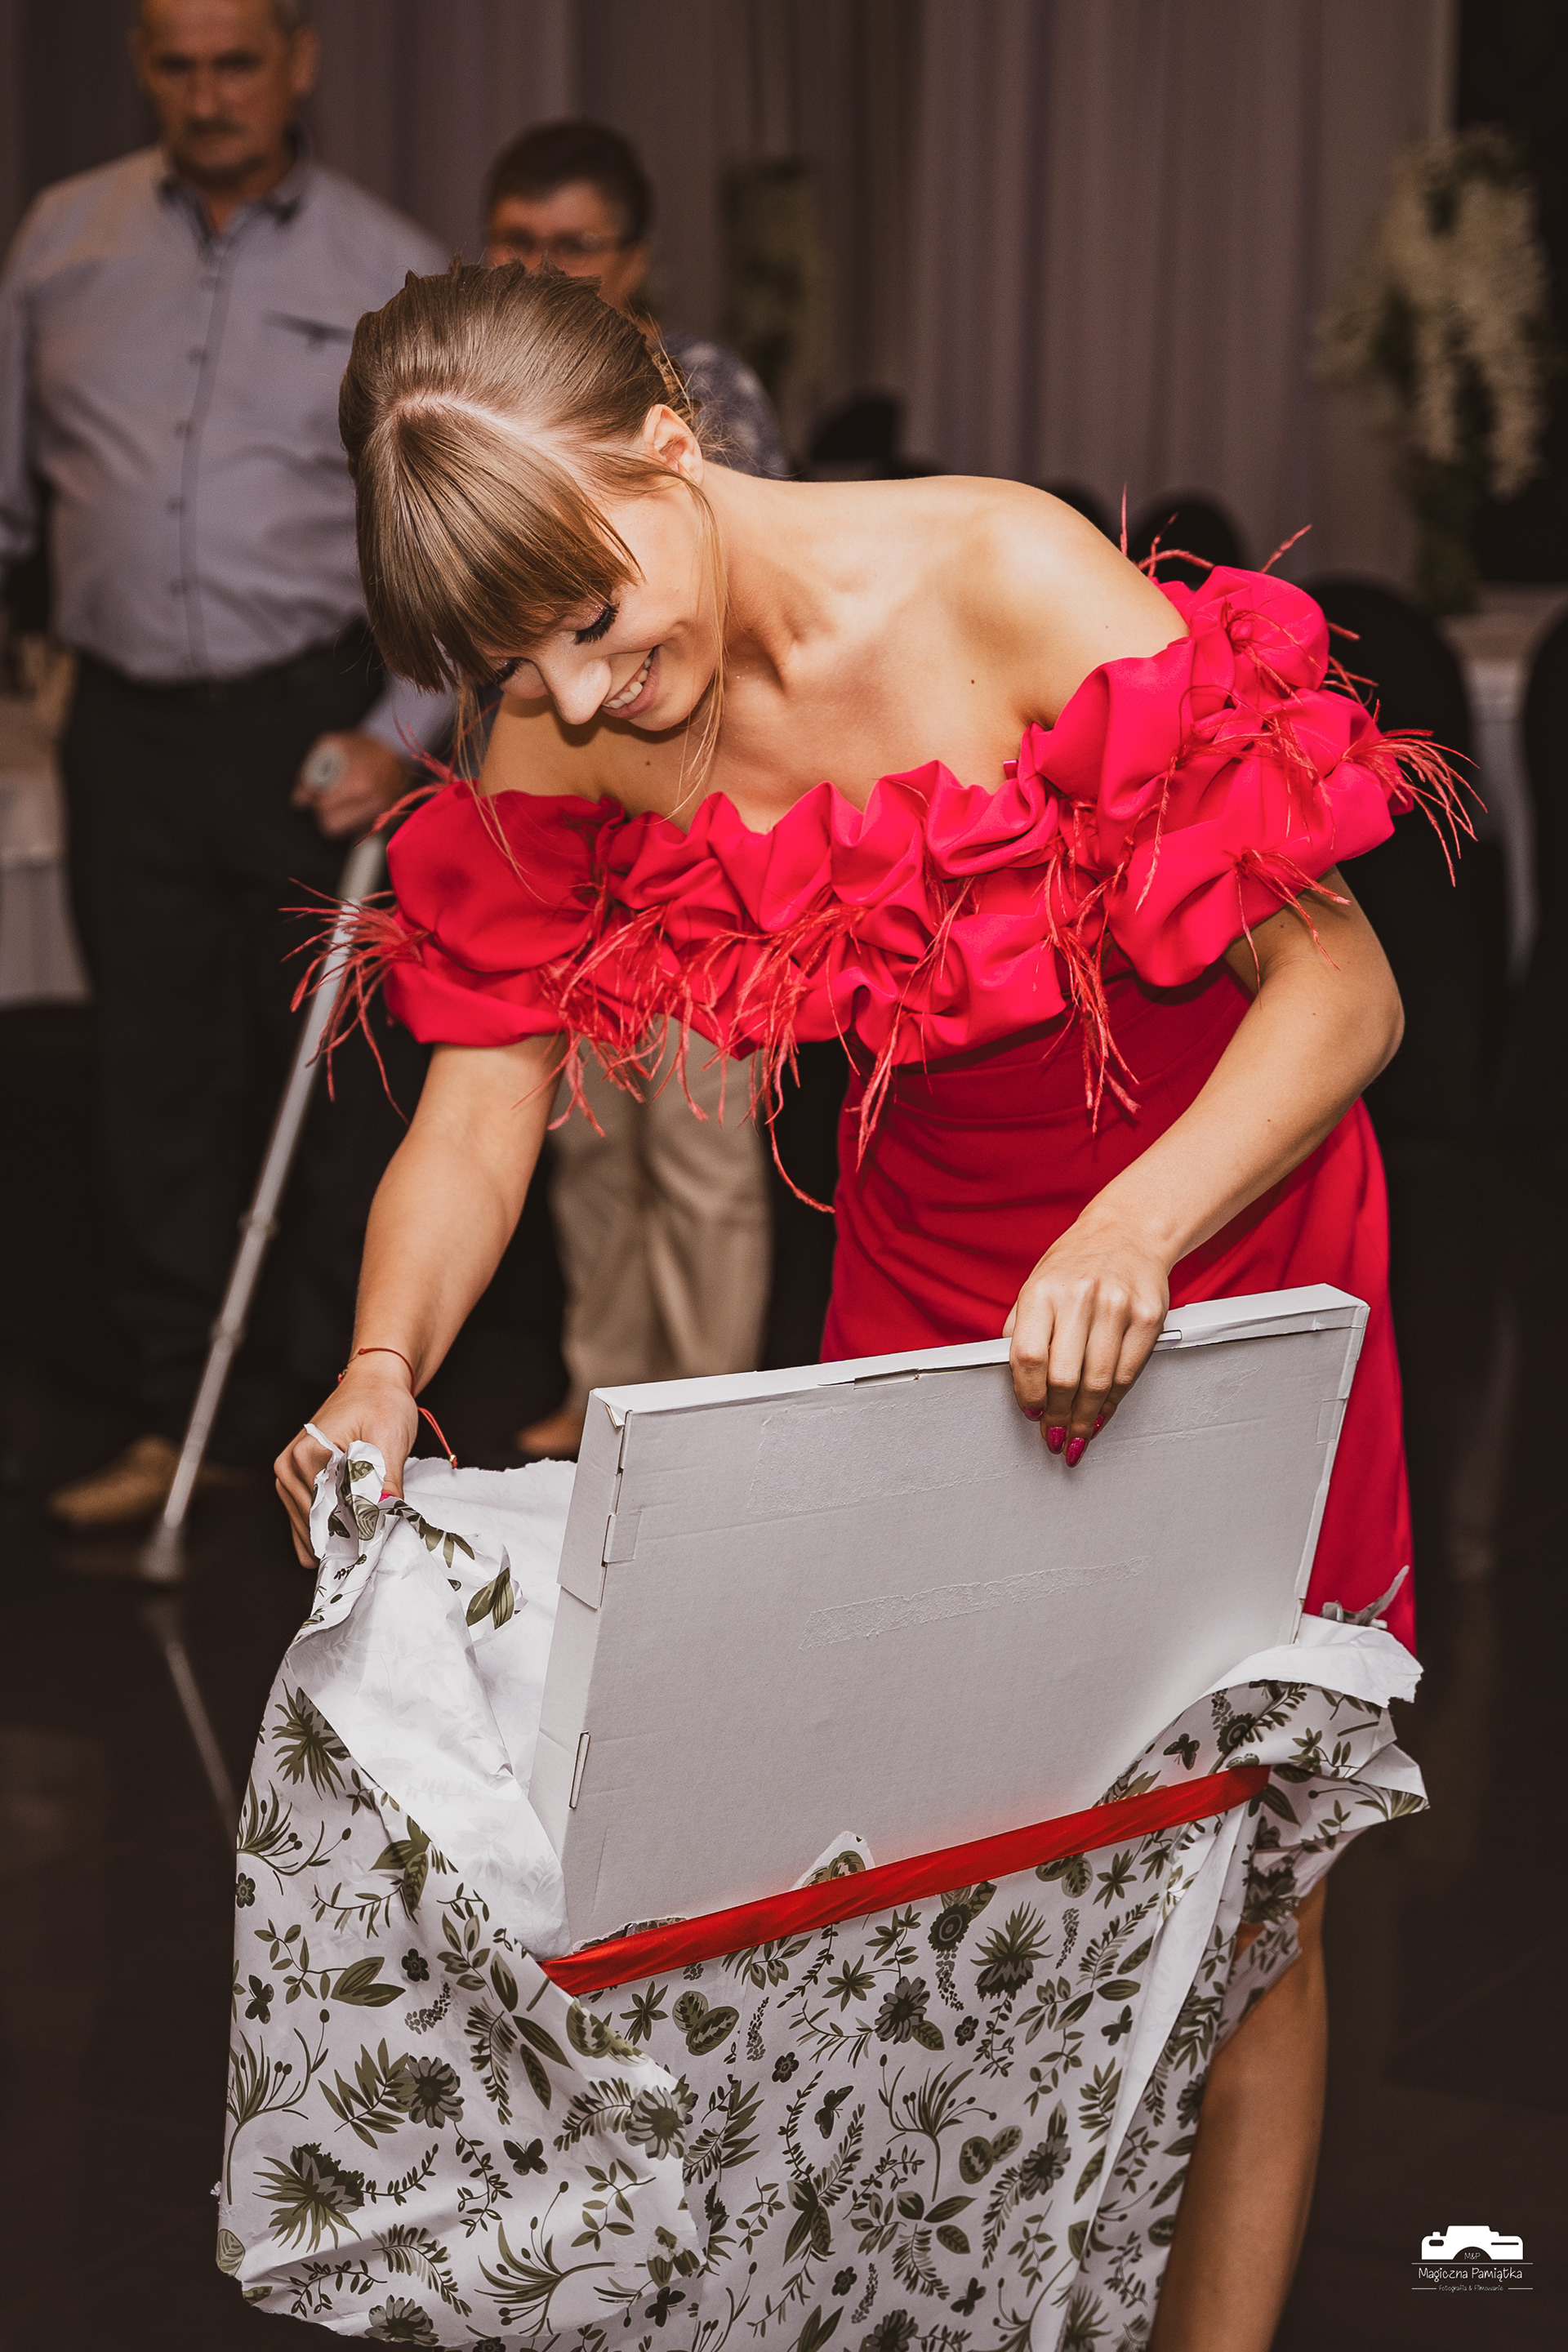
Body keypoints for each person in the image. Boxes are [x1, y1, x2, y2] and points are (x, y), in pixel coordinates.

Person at [275, 264, 1456, 2347]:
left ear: (673, 442)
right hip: (931, 1281)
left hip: (1224, 1232)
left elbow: (1344, 992)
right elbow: (477, 1111)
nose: (581, 695)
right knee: (918, 1886)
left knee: (1241, 1899)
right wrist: (383, 1365)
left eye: (595, 615)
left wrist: (1136, 1231)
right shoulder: (559, 710)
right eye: (521, 660)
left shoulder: (1002, 576)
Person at [0, 0, 452, 1524]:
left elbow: (442, 536)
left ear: (298, 61)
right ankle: (170, 1418)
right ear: (143, 65)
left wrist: (397, 736)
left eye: (237, 62)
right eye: (179, 66)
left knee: (330, 1086)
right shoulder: (60, 241)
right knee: (154, 1074)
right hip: (122, 724)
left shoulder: (382, 265)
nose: (209, 95)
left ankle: (334, 1425)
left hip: (308, 721)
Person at [479, 119, 786, 1459]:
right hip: (567, 830)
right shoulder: (482, 406)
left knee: (701, 1140)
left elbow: (752, 615)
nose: (547, 268)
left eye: (577, 245)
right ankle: (603, 1395)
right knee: (585, 1132)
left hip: (709, 826)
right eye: (519, 242)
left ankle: (703, 1421)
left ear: (637, 255)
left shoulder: (706, 391)